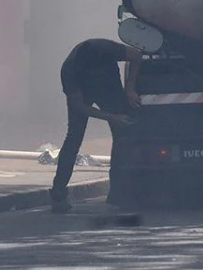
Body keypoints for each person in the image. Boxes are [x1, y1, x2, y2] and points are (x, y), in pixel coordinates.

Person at [50, 39, 142, 213]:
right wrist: (111, 117)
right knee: (74, 138)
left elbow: (136, 55)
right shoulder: (69, 71)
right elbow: (79, 107)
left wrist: (130, 88)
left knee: (123, 134)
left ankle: (118, 193)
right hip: (83, 95)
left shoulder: (103, 49)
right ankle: (58, 193)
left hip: (110, 89)